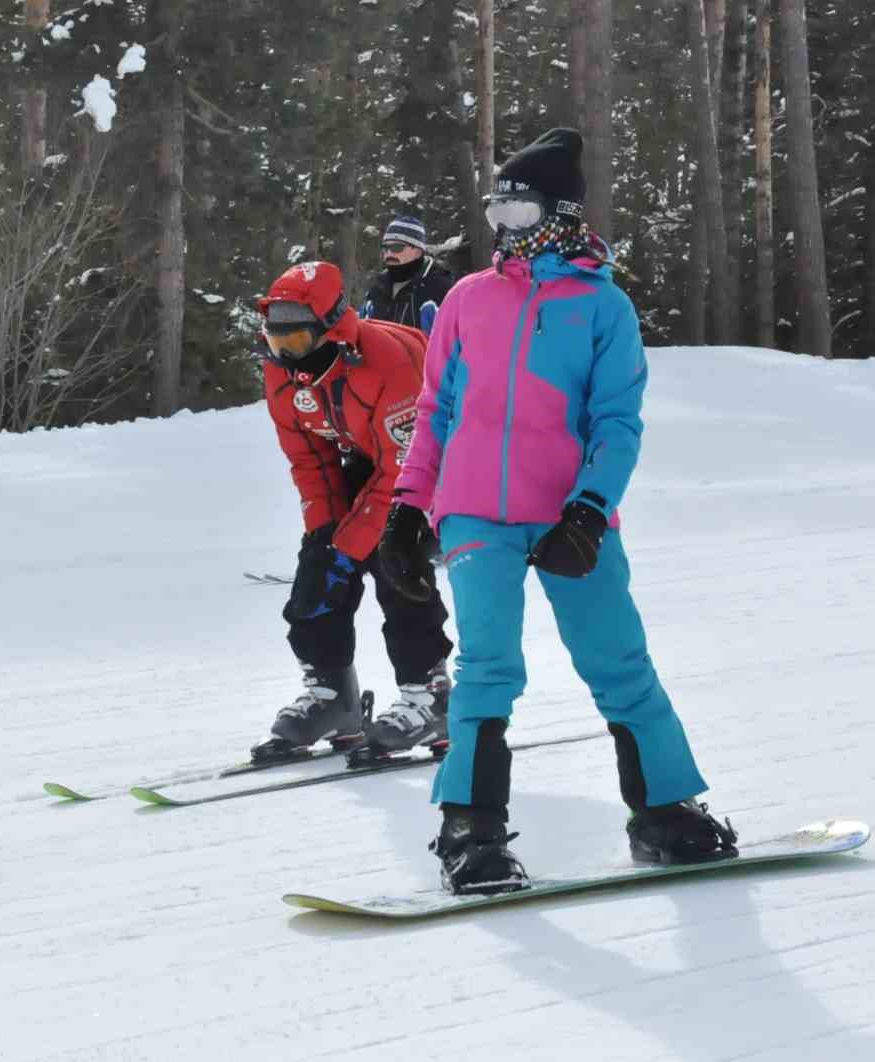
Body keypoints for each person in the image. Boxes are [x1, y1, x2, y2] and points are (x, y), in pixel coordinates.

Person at [377, 128, 737, 895]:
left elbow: (616, 424)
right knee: (487, 670)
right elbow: (437, 412)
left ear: (559, 213)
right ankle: (470, 834)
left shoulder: (603, 307)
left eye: (516, 208)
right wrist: (408, 511)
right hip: (475, 513)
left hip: (573, 518)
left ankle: (666, 812)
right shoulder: (468, 301)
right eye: (495, 209)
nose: (502, 225)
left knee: (620, 665)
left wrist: (589, 509)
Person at [253, 260, 455, 765]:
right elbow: (309, 461)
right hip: (372, 452)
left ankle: (430, 696)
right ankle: (332, 697)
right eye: (276, 343)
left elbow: (404, 474)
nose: (286, 357)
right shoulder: (282, 373)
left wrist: (353, 544)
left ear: (333, 328)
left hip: (442, 452)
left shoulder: (389, 362)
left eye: (296, 343)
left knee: (397, 560)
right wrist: (327, 537)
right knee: (319, 569)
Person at [359, 216, 454, 335]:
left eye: (397, 248)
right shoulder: (377, 288)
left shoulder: (441, 289)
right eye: (385, 248)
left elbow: (454, 343)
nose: (388, 254)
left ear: (418, 251)